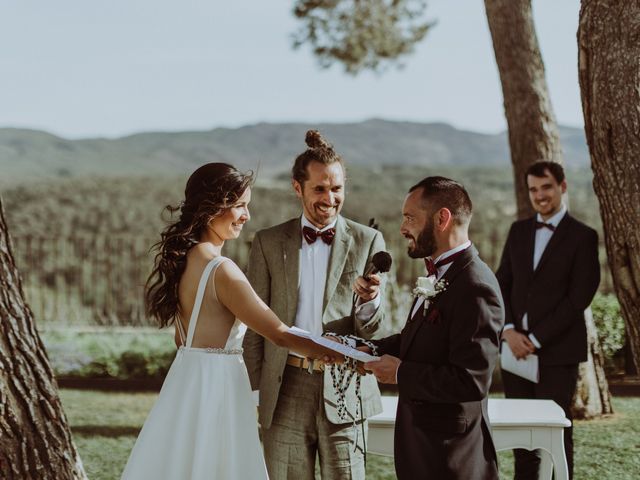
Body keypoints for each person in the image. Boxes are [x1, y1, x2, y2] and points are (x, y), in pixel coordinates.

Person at [121, 162, 338, 480]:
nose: (246, 216)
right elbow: (277, 333)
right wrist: (335, 353)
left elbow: (183, 340)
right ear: (212, 209)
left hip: (186, 381)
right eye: (239, 206)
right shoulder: (221, 269)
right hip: (219, 387)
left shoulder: (184, 262)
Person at [242, 130, 386, 480]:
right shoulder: (268, 242)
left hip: (346, 387)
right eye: (319, 188)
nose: (329, 197)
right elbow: (254, 326)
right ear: (298, 188)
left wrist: (370, 301)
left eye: (336, 188)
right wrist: (254, 391)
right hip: (284, 387)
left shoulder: (369, 240)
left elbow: (377, 332)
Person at [363, 176, 504, 480]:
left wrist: (400, 373)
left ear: (442, 218)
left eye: (410, 218)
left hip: (451, 459)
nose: (403, 228)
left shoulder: (475, 286)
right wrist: (370, 351)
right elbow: (419, 341)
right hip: (423, 450)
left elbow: (471, 380)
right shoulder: (443, 274)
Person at [496, 160, 600, 480]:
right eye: (533, 189)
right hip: (514, 350)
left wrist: (537, 339)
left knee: (555, 433)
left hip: (557, 352)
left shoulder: (583, 236)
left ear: (562, 187)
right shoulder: (518, 231)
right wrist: (509, 331)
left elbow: (578, 298)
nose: (540, 195)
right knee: (520, 435)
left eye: (546, 187)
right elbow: (502, 284)